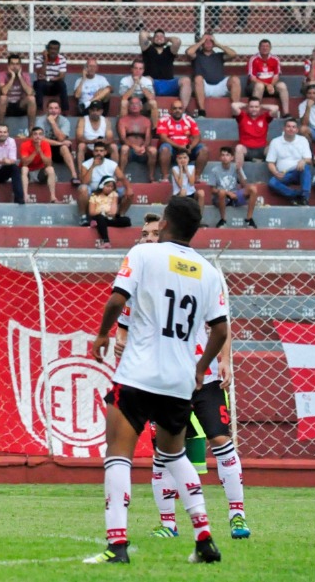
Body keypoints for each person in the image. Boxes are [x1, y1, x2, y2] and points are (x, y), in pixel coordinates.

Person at [85, 196, 228, 564]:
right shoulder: (209, 273)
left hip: (138, 373)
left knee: (118, 455)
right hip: (179, 380)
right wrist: (201, 368)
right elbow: (221, 330)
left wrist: (102, 334)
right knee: (173, 454)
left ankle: (116, 545)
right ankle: (204, 538)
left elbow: (118, 299)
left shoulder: (144, 254)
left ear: (164, 222)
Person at [265, 118, 313, 205]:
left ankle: (305, 196)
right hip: (283, 174)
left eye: (294, 127)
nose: (291, 129)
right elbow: (270, 163)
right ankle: (298, 195)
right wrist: (275, 173)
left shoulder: (303, 140)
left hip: (298, 172)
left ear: (297, 130)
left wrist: (303, 161)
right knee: (272, 183)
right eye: (288, 126)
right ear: (284, 129)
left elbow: (308, 159)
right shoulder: (275, 142)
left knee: (306, 167)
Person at [139, 28, 190, 110]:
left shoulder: (169, 50)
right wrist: (151, 38)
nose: (159, 37)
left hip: (169, 83)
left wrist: (167, 39)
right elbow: (142, 35)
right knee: (147, 79)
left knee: (186, 80)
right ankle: (150, 110)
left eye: (162, 36)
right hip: (153, 83)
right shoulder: (147, 49)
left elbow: (177, 41)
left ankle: (182, 110)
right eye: (157, 36)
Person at [156, 102, 205, 183]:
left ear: (183, 110)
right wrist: (179, 146)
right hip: (172, 149)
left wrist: (190, 147)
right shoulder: (164, 120)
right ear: (170, 110)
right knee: (165, 148)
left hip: (187, 149)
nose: (177, 110)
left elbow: (197, 137)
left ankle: (196, 177)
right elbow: (163, 138)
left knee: (204, 149)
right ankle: (165, 177)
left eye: (180, 108)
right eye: (175, 108)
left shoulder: (189, 119)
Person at [245, 38, 290, 111]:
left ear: (270, 48)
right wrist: (267, 85)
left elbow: (276, 76)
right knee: (260, 86)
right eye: (263, 46)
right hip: (255, 86)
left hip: (271, 86)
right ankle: (255, 112)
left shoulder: (275, 59)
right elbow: (252, 78)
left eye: (267, 46)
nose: (265, 48)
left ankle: (286, 113)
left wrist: (271, 85)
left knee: (282, 86)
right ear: (259, 48)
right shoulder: (253, 59)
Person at [19, 126, 58, 203]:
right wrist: (35, 152)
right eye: (35, 134)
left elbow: (49, 163)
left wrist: (40, 152)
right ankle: (25, 196)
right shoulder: (25, 145)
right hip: (28, 172)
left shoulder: (46, 144)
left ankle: (53, 197)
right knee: (24, 168)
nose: (38, 136)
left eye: (40, 134)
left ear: (43, 136)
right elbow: (25, 163)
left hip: (40, 172)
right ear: (31, 136)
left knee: (50, 169)